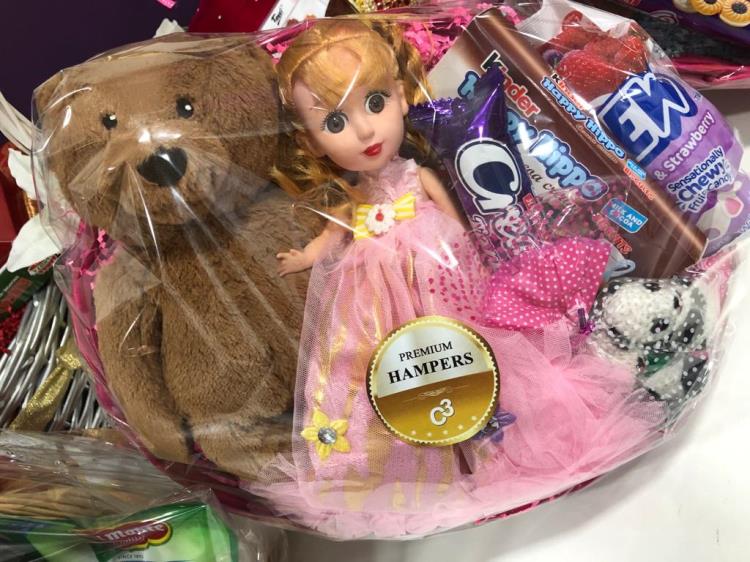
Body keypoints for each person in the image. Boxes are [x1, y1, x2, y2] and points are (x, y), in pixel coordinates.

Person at [255, 19, 661, 539]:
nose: (364, 131)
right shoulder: (350, 199)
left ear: (401, 95)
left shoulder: (417, 175)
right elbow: (333, 235)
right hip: (376, 297)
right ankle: (415, 460)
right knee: (376, 366)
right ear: (310, 141)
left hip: (442, 276)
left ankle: (493, 441)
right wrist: (305, 257)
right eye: (335, 121)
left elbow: (458, 221)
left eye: (375, 103)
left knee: (479, 348)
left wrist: (477, 252)